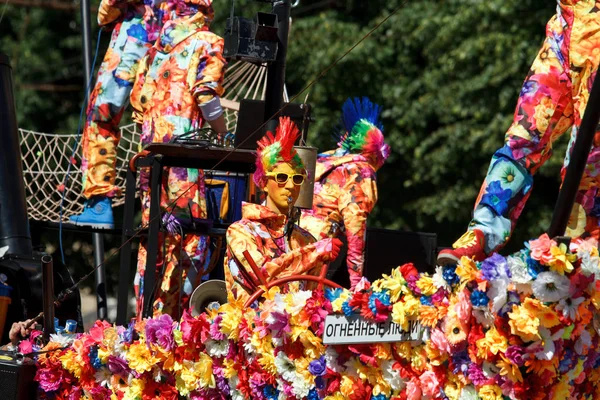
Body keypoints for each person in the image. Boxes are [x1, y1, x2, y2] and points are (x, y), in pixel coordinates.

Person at [437, 0, 600, 265]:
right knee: (522, 137)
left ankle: (579, 254)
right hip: (566, 26)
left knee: (589, 150)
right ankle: (481, 235)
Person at [129, 0, 228, 318]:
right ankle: (173, 328)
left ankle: (145, 325)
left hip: (151, 166)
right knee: (192, 244)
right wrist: (224, 132)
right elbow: (206, 95)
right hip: (184, 166)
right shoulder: (207, 41)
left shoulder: (153, 52)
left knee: (153, 242)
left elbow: (138, 105)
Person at [69, 0, 167, 228]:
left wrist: (105, 15)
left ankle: (100, 203)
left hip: (132, 42)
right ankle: (159, 205)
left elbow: (108, 8)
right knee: (153, 120)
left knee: (101, 119)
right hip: (166, 42)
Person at [224, 117, 343, 303]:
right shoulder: (240, 231)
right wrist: (314, 252)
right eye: (281, 177)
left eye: (296, 179)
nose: (289, 186)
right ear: (263, 182)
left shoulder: (305, 240)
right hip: (253, 329)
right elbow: (263, 279)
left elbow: (314, 298)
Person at [300, 97, 390, 289]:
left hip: (289, 238)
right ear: (376, 155)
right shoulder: (361, 170)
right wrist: (356, 283)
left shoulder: (326, 159)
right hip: (315, 245)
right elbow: (355, 229)